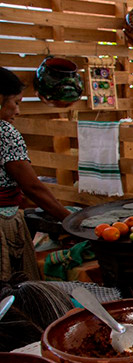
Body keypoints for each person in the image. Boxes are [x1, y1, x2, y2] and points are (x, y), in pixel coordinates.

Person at [0, 67, 70, 282]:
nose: (18, 111)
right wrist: (70, 221)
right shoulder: (5, 132)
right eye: (16, 102)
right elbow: (32, 187)